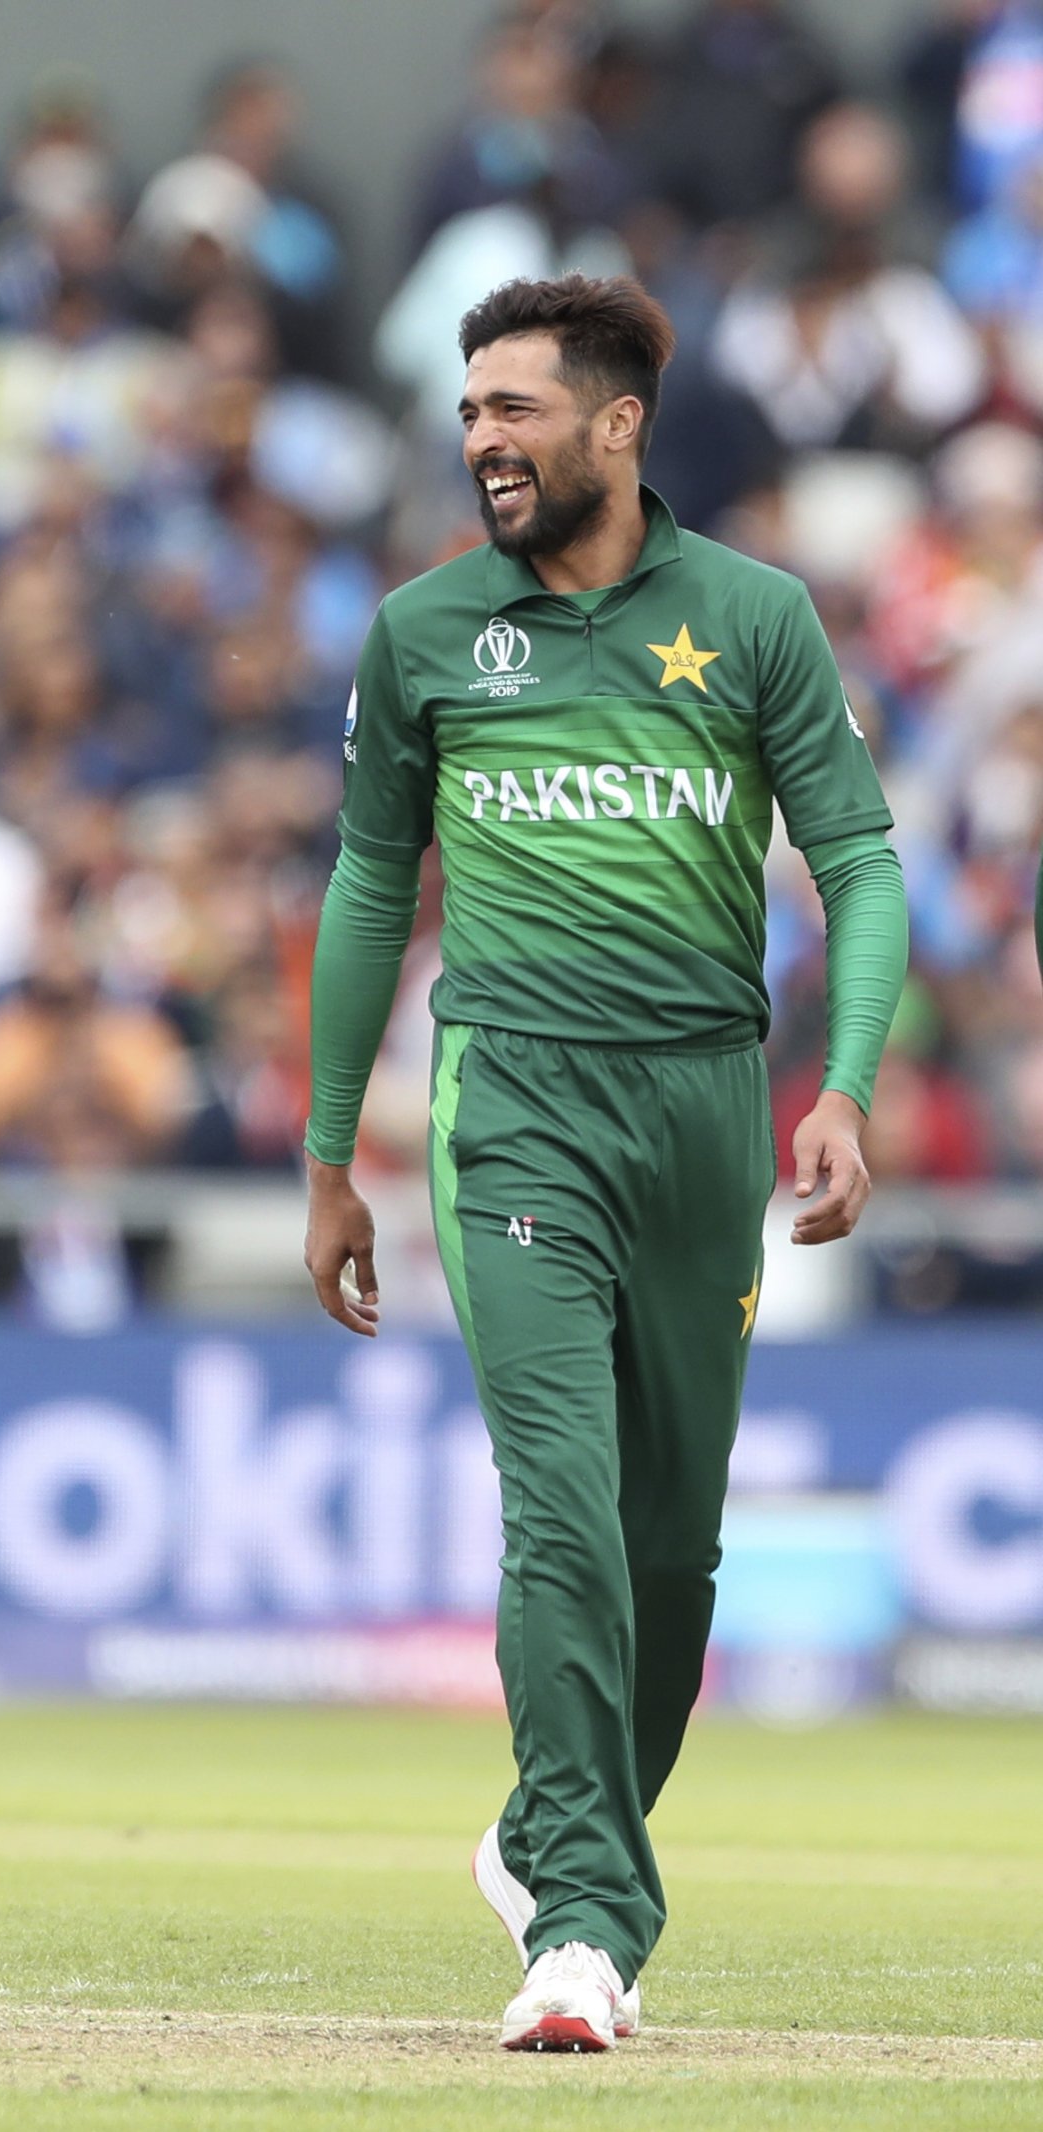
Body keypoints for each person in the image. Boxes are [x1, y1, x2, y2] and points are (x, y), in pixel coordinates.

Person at [303, 276, 907, 2053]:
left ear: (619, 423)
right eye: (470, 411)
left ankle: (550, 1836)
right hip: (515, 1105)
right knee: (561, 1505)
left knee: (672, 1548)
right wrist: (332, 1151)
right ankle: (580, 1922)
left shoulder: (754, 616)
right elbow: (365, 889)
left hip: (708, 1107)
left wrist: (845, 1086)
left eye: (515, 409)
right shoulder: (424, 632)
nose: (481, 438)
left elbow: (862, 866)